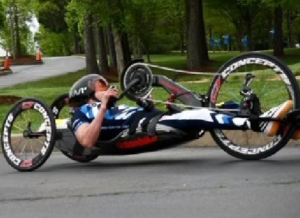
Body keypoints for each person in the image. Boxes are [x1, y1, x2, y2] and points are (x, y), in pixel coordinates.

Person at [68, 74, 298, 149]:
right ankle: (259, 125)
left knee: (220, 107)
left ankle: (282, 124)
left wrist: (161, 106)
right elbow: (87, 140)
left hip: (154, 120)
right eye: (102, 88)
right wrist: (101, 108)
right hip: (141, 129)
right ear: (86, 94)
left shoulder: (113, 106)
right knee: (200, 116)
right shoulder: (82, 114)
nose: (109, 89)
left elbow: (143, 114)